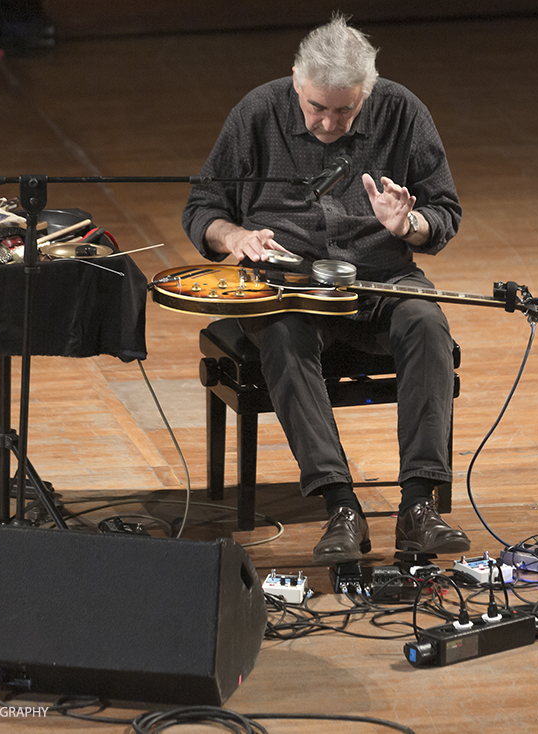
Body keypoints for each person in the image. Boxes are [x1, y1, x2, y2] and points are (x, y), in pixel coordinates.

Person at [182, 15, 469, 564]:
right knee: (283, 336)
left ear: (369, 90)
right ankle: (340, 505)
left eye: (346, 110)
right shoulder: (257, 112)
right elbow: (202, 209)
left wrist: (406, 226)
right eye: (317, 107)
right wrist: (236, 236)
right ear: (295, 80)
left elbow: (445, 213)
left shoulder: (403, 110)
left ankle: (417, 507)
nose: (329, 123)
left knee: (427, 322)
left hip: (379, 277)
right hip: (289, 286)